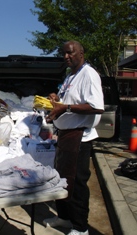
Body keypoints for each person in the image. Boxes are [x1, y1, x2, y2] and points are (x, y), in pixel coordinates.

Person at [43, 40, 104, 235]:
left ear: (81, 53)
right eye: (64, 53)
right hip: (65, 137)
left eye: (70, 53)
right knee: (62, 179)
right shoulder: (71, 76)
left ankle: (80, 228)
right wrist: (56, 100)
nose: (66, 56)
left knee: (76, 183)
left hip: (80, 137)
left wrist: (65, 108)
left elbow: (96, 106)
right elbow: (68, 100)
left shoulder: (89, 74)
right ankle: (64, 218)